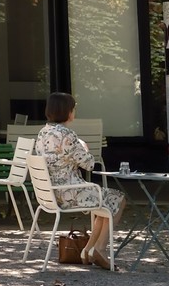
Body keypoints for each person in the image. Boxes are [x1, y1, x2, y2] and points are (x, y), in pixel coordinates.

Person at [36, 91, 125, 270]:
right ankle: (99, 248)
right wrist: (84, 146)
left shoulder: (42, 133)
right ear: (68, 111)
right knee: (118, 199)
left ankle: (88, 250)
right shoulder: (68, 135)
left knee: (104, 203)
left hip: (50, 193)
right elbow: (90, 165)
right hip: (71, 192)